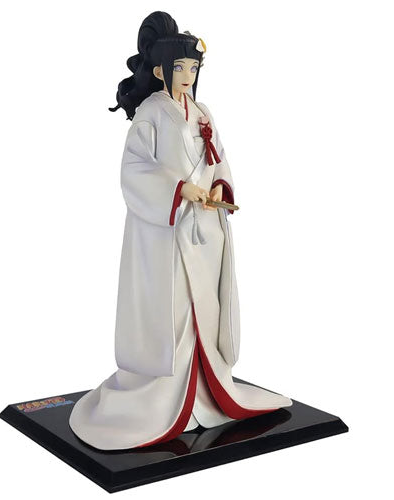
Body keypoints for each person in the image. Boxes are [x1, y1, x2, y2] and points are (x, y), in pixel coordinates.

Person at [69, 11, 292, 451]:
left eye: (194, 67)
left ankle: (207, 393)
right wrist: (180, 189)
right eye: (180, 67)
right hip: (165, 231)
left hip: (204, 229)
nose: (188, 75)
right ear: (160, 71)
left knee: (205, 307)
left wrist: (219, 188)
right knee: (171, 313)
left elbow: (219, 158)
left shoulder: (202, 112)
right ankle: (164, 397)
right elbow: (133, 170)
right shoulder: (151, 114)